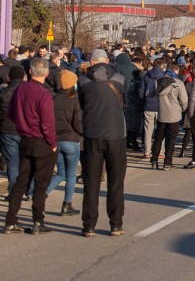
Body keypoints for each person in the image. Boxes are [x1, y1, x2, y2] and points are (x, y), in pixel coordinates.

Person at [3, 59, 57, 235]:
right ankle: (37, 221)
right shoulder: (44, 94)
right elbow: (48, 122)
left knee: (21, 181)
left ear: (31, 72)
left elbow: (11, 113)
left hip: (25, 139)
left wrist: (22, 125)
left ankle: (11, 220)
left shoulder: (20, 89)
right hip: (41, 140)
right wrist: (53, 143)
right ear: (46, 73)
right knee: (41, 183)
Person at [78, 49, 127, 237]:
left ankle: (88, 225)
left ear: (91, 62)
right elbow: (126, 103)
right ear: (107, 61)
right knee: (116, 182)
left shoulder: (82, 81)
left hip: (92, 133)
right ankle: (116, 224)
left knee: (91, 182)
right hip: (116, 133)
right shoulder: (119, 80)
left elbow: (81, 106)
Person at [46, 70, 83, 215]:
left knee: (60, 173)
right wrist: (83, 133)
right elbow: (78, 123)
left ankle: (42, 194)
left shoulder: (53, 99)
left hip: (56, 139)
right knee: (71, 173)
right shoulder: (74, 100)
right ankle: (67, 204)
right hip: (71, 139)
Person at [151, 65, 188, 170]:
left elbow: (149, 93)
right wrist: (181, 109)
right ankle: (167, 162)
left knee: (158, 138)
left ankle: (154, 159)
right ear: (175, 71)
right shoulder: (179, 83)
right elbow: (184, 100)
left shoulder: (157, 82)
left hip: (162, 113)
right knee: (171, 140)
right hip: (174, 114)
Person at [0, 66, 26, 201]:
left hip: (7, 130)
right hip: (25, 129)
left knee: (12, 162)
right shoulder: (28, 90)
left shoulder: (3, 92)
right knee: (25, 161)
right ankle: (27, 189)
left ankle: (13, 192)